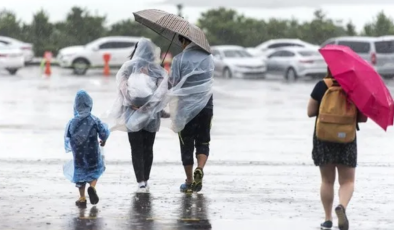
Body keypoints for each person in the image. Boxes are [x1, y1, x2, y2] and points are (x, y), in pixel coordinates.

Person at [307, 68, 368, 230]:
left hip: (323, 138)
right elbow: (363, 118)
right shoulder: (355, 88)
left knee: (327, 181)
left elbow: (310, 112)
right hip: (346, 139)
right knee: (347, 181)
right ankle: (341, 206)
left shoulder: (322, 86)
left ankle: (327, 219)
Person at [106, 38, 168, 193]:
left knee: (136, 148)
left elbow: (122, 88)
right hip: (151, 115)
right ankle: (145, 178)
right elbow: (162, 92)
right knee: (148, 147)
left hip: (132, 112)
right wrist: (149, 106)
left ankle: (140, 180)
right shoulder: (157, 69)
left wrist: (132, 103)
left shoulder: (128, 68)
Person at [169, 35, 214, 193]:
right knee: (203, 140)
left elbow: (173, 83)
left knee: (186, 142)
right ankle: (200, 168)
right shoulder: (209, 58)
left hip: (185, 108)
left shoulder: (178, 60)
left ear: (184, 41)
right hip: (206, 105)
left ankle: (189, 181)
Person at [64, 90, 110, 207]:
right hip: (92, 152)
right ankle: (92, 187)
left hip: (79, 154)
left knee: (80, 173)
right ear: (90, 104)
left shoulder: (72, 122)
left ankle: (82, 197)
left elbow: (67, 136)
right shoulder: (94, 120)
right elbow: (103, 132)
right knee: (95, 170)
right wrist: (103, 140)